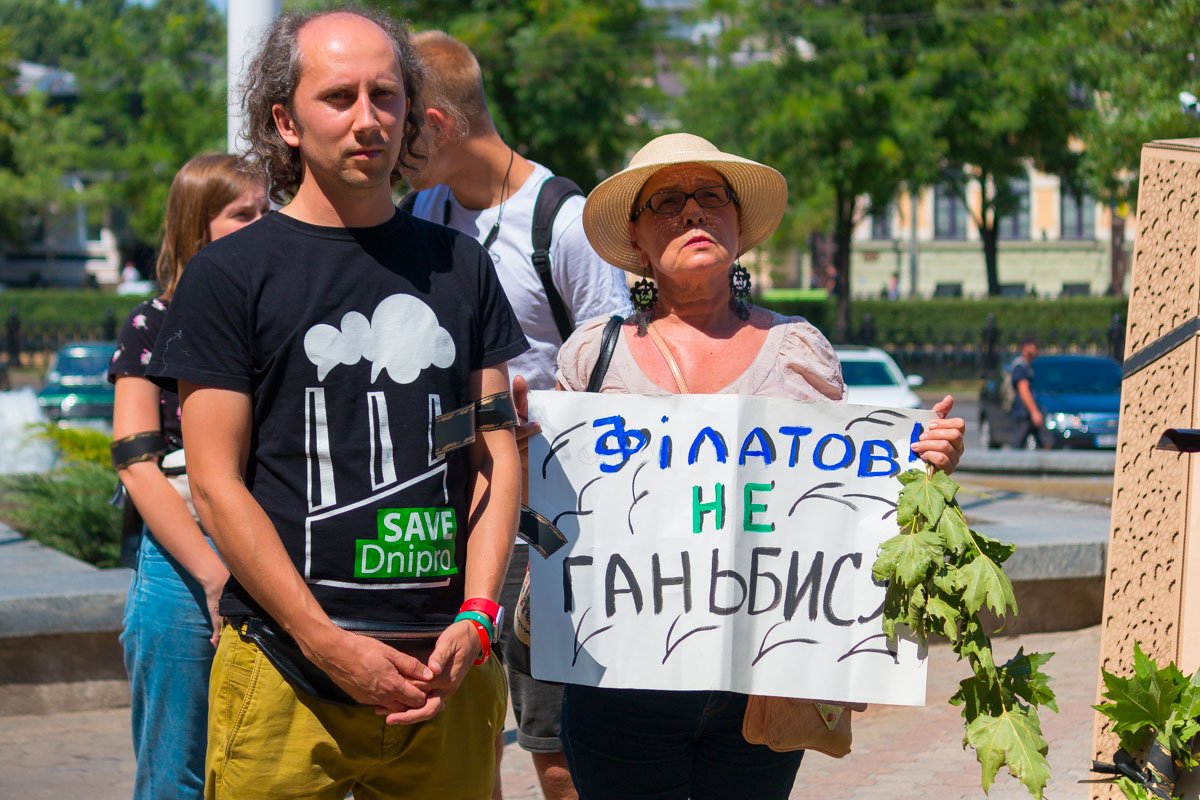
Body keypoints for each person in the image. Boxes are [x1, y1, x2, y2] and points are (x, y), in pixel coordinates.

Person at [146, 9, 527, 799]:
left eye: (386, 96)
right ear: (284, 119)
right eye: (339, 96)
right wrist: (325, 643)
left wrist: (480, 614)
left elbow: (494, 452)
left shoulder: (460, 267)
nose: (368, 120)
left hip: (446, 673)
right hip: (288, 673)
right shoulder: (230, 275)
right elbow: (215, 485)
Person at [552, 132, 966, 800]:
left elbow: (843, 511)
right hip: (620, 685)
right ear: (635, 235)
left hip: (761, 688)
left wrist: (923, 463)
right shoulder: (589, 358)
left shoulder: (797, 350)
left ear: (737, 222)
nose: (692, 213)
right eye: (667, 201)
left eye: (710, 196)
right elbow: (559, 514)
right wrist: (521, 444)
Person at [399, 30, 628, 800]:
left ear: (437, 125)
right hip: (451, 518)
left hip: (550, 527)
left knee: (555, 750)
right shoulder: (422, 209)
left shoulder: (563, 222)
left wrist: (546, 408)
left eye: (399, 125)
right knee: (462, 744)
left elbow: (620, 374)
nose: (382, 143)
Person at [108, 152, 267, 800]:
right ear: (196, 226)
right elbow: (137, 467)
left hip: (270, 558)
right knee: (177, 775)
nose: (263, 224)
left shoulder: (275, 322)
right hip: (180, 567)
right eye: (242, 214)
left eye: (267, 211)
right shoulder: (150, 325)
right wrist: (211, 575)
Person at [1009, 337, 1050, 449]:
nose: (1036, 350)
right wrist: (1034, 412)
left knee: (1045, 441)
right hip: (1024, 413)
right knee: (1017, 444)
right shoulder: (1020, 367)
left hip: (1026, 412)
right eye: (1034, 346)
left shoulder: (1027, 365)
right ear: (1025, 348)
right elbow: (1024, 390)